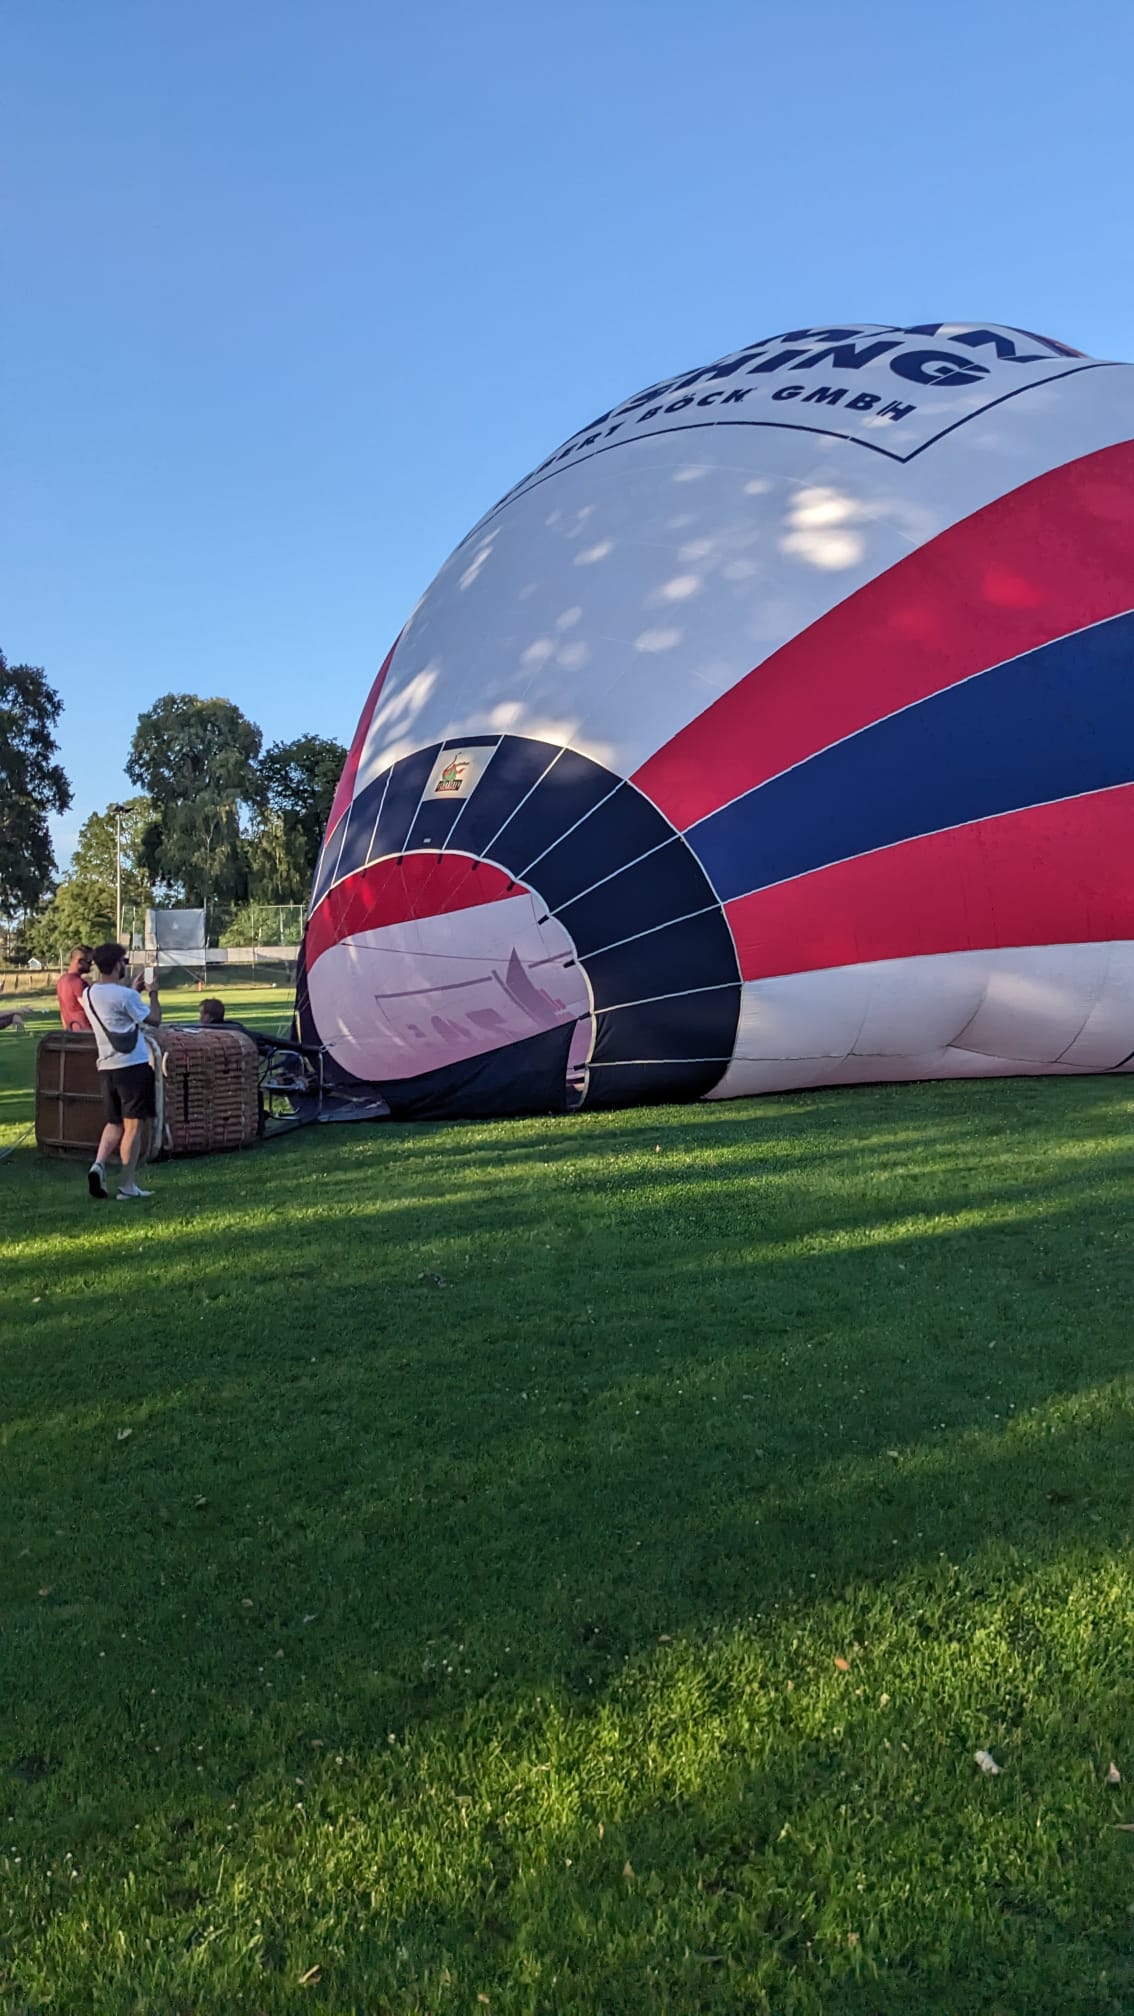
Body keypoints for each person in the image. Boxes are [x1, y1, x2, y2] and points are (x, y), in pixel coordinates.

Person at [84, 942, 162, 1202]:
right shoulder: (125, 997)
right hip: (132, 1066)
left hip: (106, 1067)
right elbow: (154, 1019)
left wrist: (132, 991)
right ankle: (127, 1185)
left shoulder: (89, 994)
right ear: (117, 964)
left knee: (114, 1122)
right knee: (133, 1128)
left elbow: (113, 1012)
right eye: (124, 962)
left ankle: (99, 1164)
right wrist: (152, 993)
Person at [56, 945, 93, 1031]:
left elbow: (63, 1011)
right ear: (80, 962)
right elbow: (90, 1008)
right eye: (89, 962)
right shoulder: (78, 982)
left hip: (71, 1032)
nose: (91, 965)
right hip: (86, 1032)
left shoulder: (61, 981)